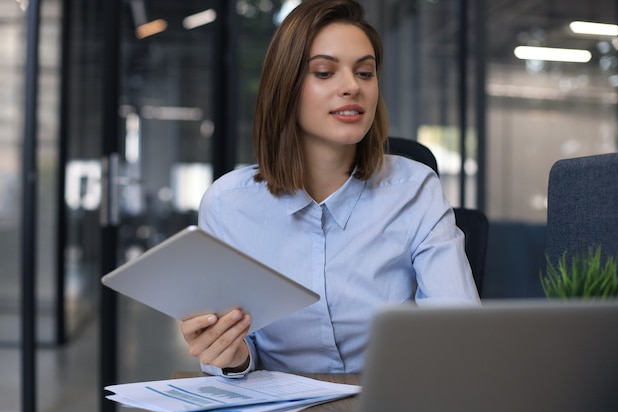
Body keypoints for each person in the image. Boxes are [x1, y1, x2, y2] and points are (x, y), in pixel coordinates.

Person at [180, 0, 480, 377]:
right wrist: (231, 354)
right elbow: (238, 353)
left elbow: (458, 329)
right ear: (286, 87)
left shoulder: (415, 189)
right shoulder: (228, 204)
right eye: (324, 72)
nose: (352, 86)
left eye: (365, 72)